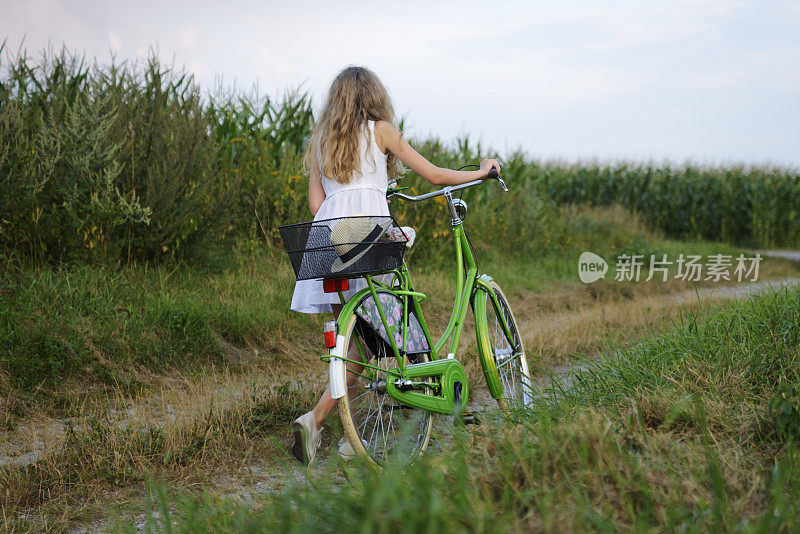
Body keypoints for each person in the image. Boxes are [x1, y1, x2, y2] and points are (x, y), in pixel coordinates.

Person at [290, 65, 501, 465]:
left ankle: (325, 427)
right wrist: (481, 171)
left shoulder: (320, 141)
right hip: (370, 239)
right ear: (373, 97)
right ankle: (329, 426)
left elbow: (318, 206)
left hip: (329, 244)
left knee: (349, 343)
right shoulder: (381, 131)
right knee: (371, 337)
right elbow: (435, 175)